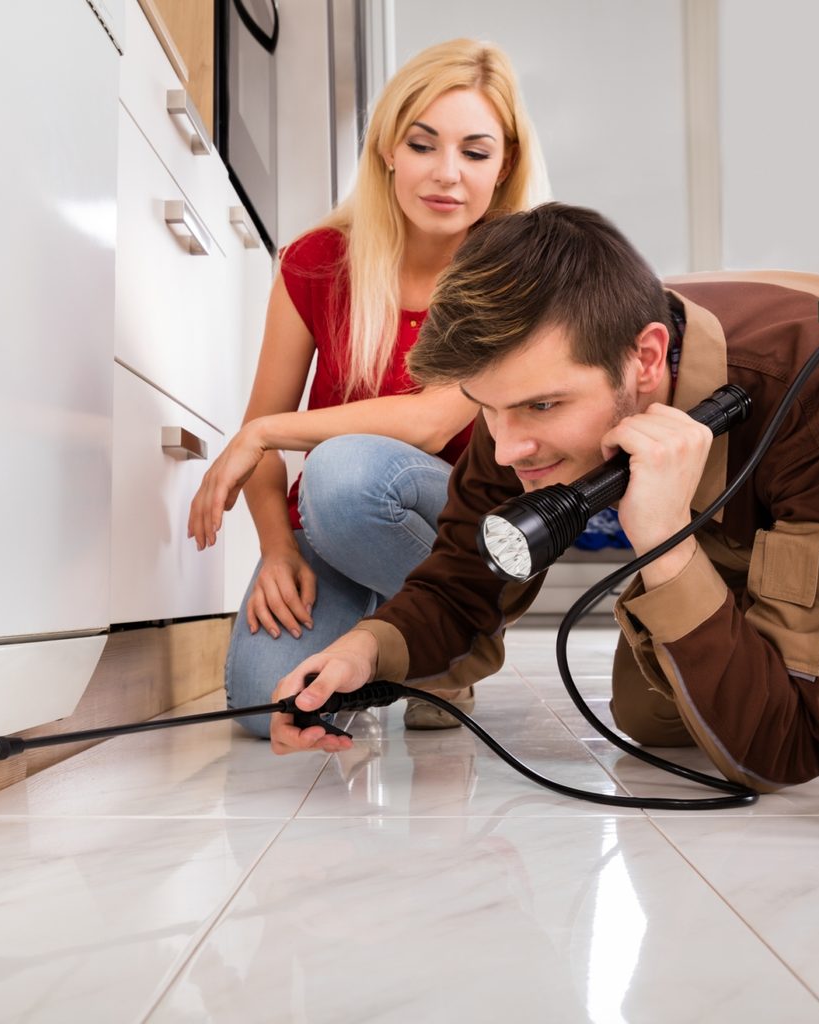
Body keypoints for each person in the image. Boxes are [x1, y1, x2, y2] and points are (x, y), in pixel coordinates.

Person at [271, 202, 819, 793]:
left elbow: (783, 754)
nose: (505, 451)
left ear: (647, 359)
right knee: (647, 709)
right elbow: (459, 587)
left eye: (543, 406)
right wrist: (364, 652)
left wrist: (665, 544)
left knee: (772, 717)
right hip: (736, 543)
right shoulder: (522, 400)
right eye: (487, 406)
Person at [188, 39, 551, 737]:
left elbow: (428, 423)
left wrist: (261, 434)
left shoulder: (515, 271)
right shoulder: (316, 263)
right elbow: (261, 434)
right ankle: (402, 645)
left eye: (475, 153)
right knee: (270, 705)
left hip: (472, 532)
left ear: (503, 166)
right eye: (424, 145)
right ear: (388, 147)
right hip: (337, 524)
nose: (447, 175)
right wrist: (277, 550)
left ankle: (452, 638)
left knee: (344, 469)